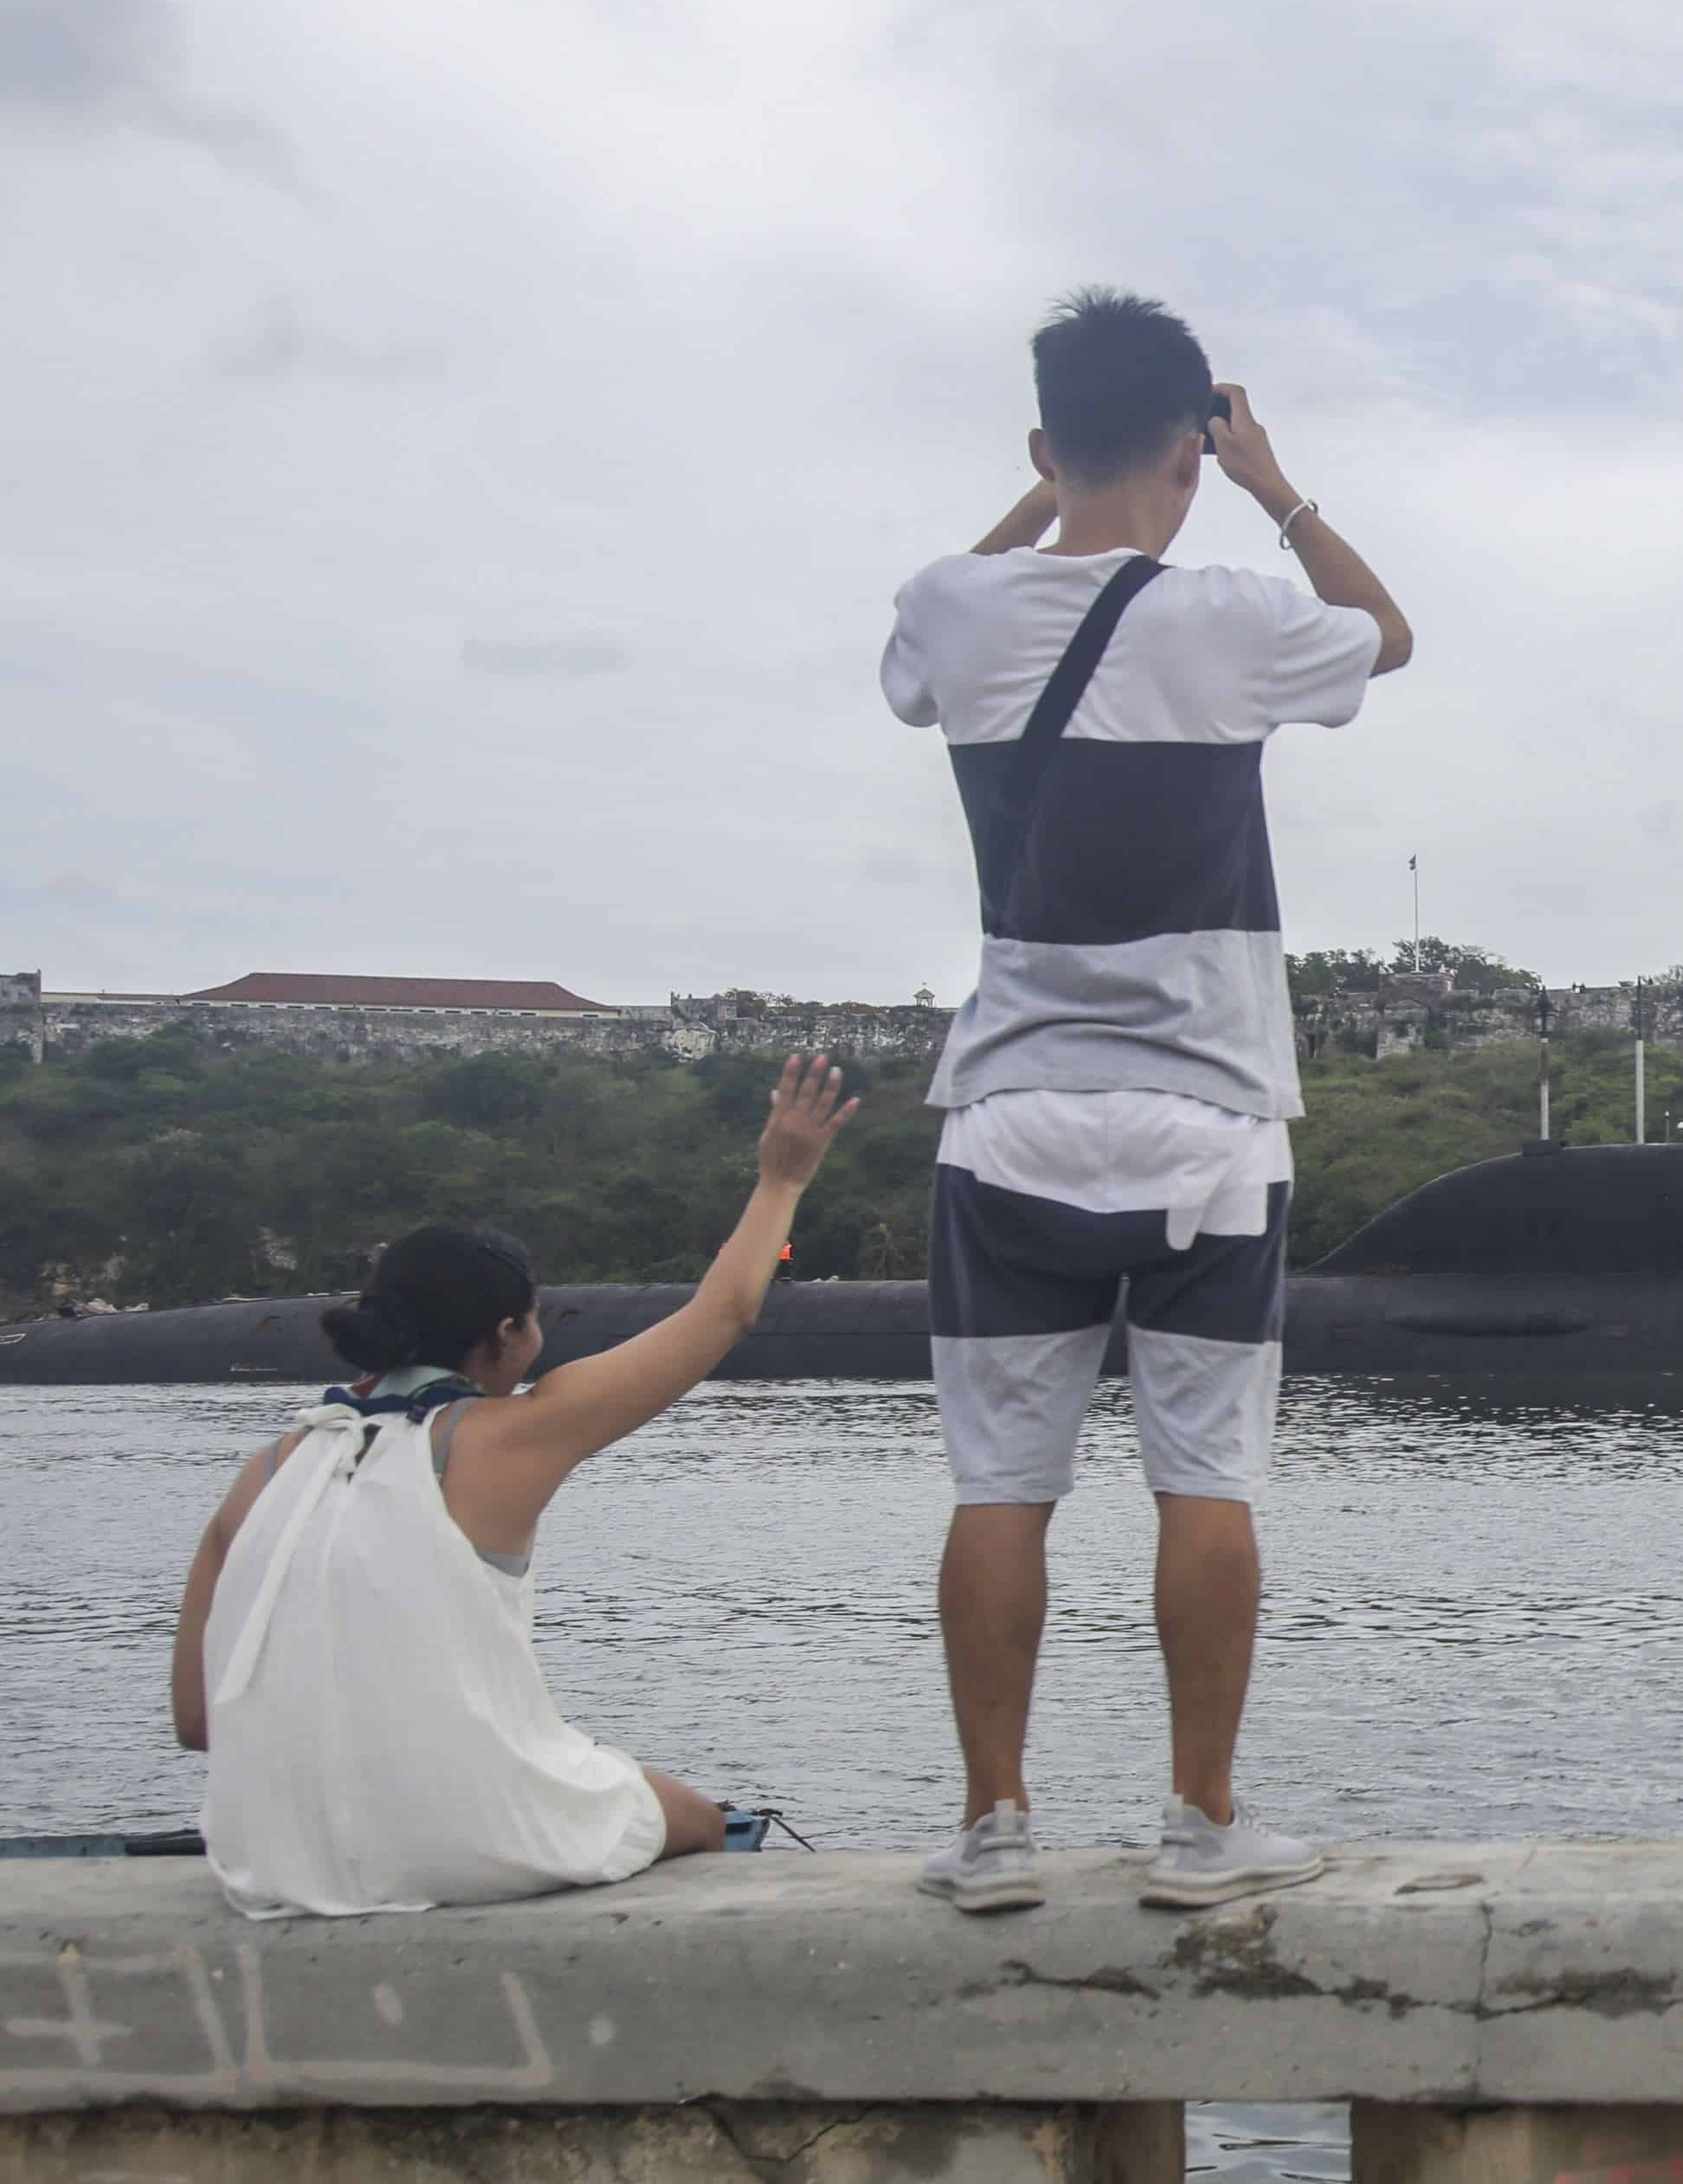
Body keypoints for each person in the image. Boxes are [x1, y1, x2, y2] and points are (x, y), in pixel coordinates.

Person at [883, 288, 1413, 1915]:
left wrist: (1048, 500)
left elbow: (926, 647)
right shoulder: (1237, 616)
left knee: (1000, 1487)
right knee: (1206, 1482)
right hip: (1206, 1122)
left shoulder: (954, 607)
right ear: (1193, 439)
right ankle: (1202, 1825)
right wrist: (1271, 483)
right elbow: (1384, 635)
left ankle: (992, 1833)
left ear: (1045, 446)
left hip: (1013, 1117)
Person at [173, 1059, 859, 1917]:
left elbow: (200, 1722)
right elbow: (721, 1316)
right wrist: (783, 1176)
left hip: (264, 1861)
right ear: (503, 1334)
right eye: (535, 1321)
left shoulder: (268, 1470)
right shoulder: (512, 1434)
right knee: (693, 1817)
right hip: (456, 1843)